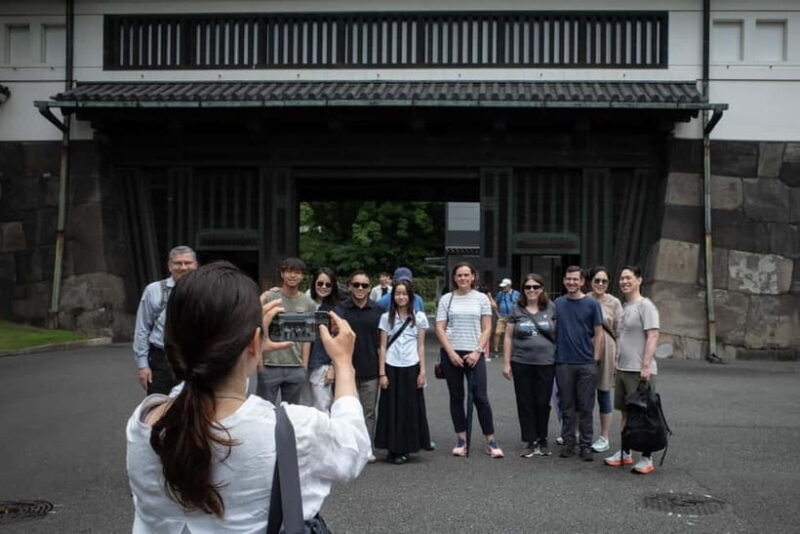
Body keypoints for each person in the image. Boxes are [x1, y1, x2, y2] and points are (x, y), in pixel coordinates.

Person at [126, 261, 370, 532]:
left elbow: (205, 387)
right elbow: (353, 449)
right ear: (255, 343)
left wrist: (247, 351)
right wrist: (344, 364)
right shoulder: (292, 429)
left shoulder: (145, 421)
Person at [435, 262, 503, 458]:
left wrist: (477, 351)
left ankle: (490, 440)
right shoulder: (447, 299)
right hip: (452, 352)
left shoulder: (481, 298)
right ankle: (461, 439)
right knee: (456, 397)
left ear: (473, 277)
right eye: (459, 275)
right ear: (454, 278)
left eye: (467, 275)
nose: (463, 278)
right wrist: (451, 353)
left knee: (480, 397)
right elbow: (440, 328)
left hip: (475, 353)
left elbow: (487, 328)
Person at [604, 265, 661, 475]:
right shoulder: (626, 307)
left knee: (644, 415)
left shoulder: (646, 306)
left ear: (639, 280)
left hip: (639, 370)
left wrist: (646, 366)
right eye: (621, 278)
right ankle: (625, 452)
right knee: (626, 413)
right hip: (623, 369)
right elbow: (621, 339)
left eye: (628, 278)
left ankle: (647, 457)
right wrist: (616, 365)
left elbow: (653, 336)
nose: (624, 282)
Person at [375, 280, 432, 464]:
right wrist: (382, 373)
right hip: (391, 365)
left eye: (404, 294)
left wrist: (422, 371)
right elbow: (382, 347)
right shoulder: (386, 318)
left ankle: (406, 448)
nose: (401, 297)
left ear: (410, 296)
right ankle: (392, 448)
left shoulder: (420, 317)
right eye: (398, 293)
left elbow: (421, 345)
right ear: (393, 296)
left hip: (411, 364)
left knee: (409, 408)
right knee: (390, 407)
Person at [502, 273, 557, 458]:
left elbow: (559, 334)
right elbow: (508, 336)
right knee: (525, 402)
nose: (532, 290)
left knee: (542, 402)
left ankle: (542, 438)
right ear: (523, 290)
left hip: (546, 363)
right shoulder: (516, 309)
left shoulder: (551, 308)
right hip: (521, 361)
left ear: (542, 288)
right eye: (528, 287)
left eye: (536, 287)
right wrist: (506, 363)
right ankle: (529, 439)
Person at [554, 265, 604, 461]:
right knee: (566, 405)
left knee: (586, 406)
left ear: (582, 282)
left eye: (575, 279)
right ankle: (568, 442)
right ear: (564, 281)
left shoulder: (592, 304)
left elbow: (599, 333)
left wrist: (596, 359)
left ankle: (586, 445)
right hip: (564, 361)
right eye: (568, 279)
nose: (571, 282)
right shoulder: (557, 303)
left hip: (586, 362)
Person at [132, 245, 198, 395]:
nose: (183, 267)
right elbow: (142, 329)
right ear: (169, 266)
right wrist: (143, 365)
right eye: (178, 263)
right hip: (162, 360)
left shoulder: (206, 290)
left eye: (188, 263)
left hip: (194, 359)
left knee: (193, 409)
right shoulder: (153, 290)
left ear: (195, 265)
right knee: (158, 409)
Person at [335, 271, 384, 462]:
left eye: (364, 285)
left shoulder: (378, 310)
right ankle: (346, 449)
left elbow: (382, 343)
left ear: (370, 288)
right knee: (344, 410)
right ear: (349, 287)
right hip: (346, 369)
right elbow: (335, 339)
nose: (360, 289)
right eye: (356, 285)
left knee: (368, 412)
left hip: (371, 368)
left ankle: (366, 448)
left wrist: (382, 371)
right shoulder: (341, 310)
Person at [258, 257, 316, 405]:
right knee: (263, 412)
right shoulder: (271, 297)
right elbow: (256, 328)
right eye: (289, 271)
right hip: (270, 364)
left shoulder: (308, 303)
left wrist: (304, 366)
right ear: (282, 274)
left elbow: (307, 338)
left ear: (302, 276)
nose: (293, 275)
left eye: (297, 272)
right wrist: (259, 363)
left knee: (292, 414)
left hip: (295, 366)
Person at [587, 266, 623, 454]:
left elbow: (619, 331)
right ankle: (577, 432)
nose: (600, 284)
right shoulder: (584, 299)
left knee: (603, 392)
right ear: (590, 281)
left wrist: (618, 357)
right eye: (597, 280)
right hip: (585, 346)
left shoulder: (614, 302)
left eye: (604, 281)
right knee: (582, 393)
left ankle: (604, 436)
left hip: (608, 348)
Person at [303, 267, 341, 412]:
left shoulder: (337, 309)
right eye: (320, 283)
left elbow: (339, 340)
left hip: (322, 363)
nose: (323, 287)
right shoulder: (305, 304)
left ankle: (323, 435)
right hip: (301, 363)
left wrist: (333, 367)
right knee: (303, 406)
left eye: (328, 284)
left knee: (321, 407)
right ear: (314, 284)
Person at [493, 278, 520, 357]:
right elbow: (495, 304)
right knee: (497, 333)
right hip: (502, 316)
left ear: (509, 286)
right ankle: (496, 350)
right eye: (503, 286)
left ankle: (513, 350)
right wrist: (497, 314)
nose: (503, 288)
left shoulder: (516, 294)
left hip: (513, 317)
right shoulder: (500, 294)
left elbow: (521, 304)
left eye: (505, 286)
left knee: (513, 334)